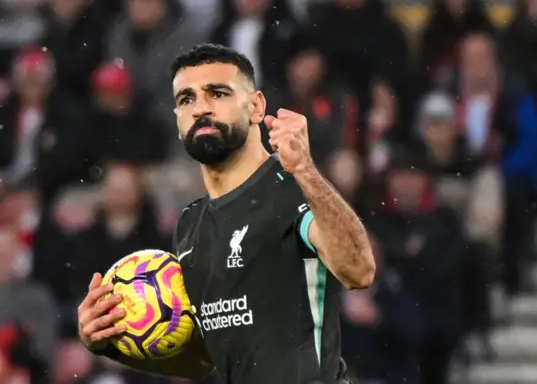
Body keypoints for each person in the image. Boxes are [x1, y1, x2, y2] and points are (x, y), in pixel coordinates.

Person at [76, 44, 376, 384]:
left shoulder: (292, 189)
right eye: (186, 99)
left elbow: (359, 271)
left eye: (217, 93)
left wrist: (306, 171)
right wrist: (110, 341)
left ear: (256, 106)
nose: (200, 108)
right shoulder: (191, 224)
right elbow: (205, 360)